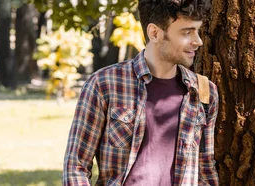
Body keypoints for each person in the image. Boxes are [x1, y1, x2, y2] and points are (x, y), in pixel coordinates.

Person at [62, 0, 219, 185]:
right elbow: (76, 166)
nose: (198, 41)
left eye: (197, 31)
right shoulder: (104, 84)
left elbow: (205, 168)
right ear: (154, 33)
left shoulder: (204, 90)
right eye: (187, 32)